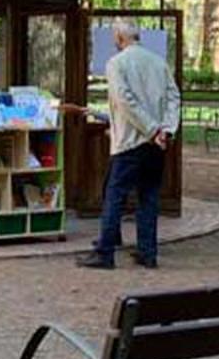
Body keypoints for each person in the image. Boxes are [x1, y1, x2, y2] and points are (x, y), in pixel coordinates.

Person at [77, 20, 180, 270]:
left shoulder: (116, 64)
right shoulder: (158, 62)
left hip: (129, 143)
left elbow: (125, 101)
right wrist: (166, 129)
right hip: (156, 143)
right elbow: (173, 97)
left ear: (119, 38)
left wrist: (152, 129)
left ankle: (105, 252)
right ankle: (147, 252)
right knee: (149, 196)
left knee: (114, 196)